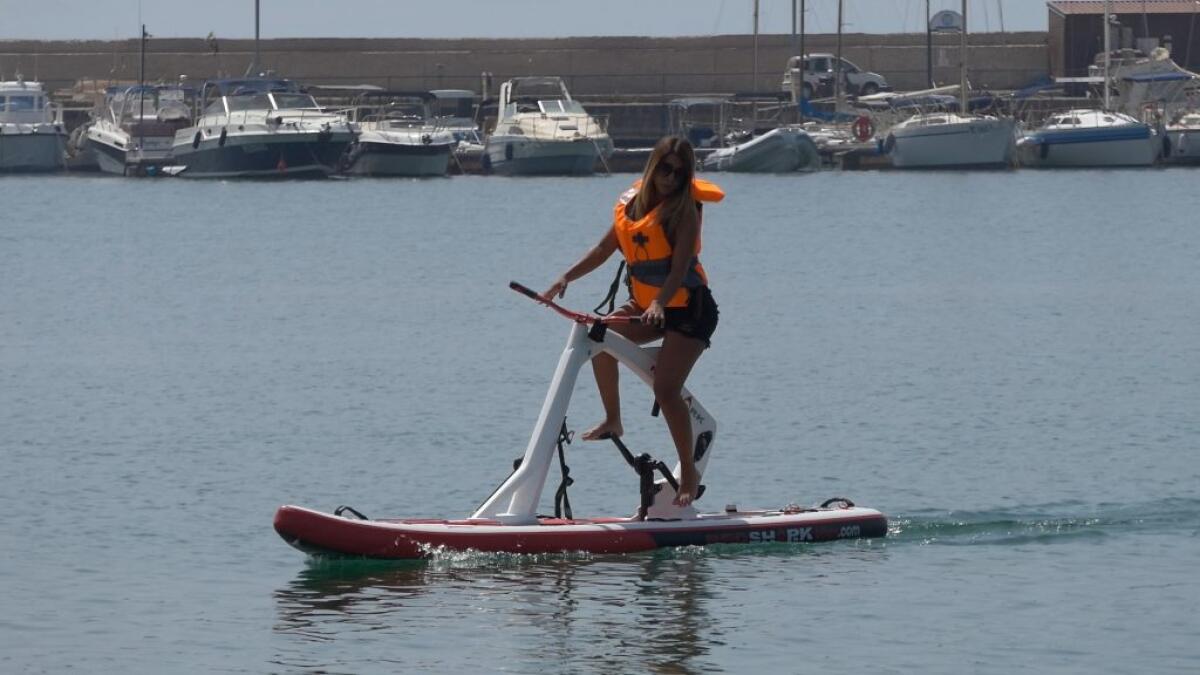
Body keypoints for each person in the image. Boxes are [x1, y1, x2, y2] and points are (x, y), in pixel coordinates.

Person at [544, 136, 723, 507]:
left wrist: (658, 302)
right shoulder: (632, 206)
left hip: (689, 310)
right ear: (653, 167)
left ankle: (688, 474)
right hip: (648, 308)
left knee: (666, 389)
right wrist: (566, 277)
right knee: (599, 338)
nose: (671, 178)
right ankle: (613, 419)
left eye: (680, 173)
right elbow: (603, 249)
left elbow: (679, 269)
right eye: (665, 169)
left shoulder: (684, 212)